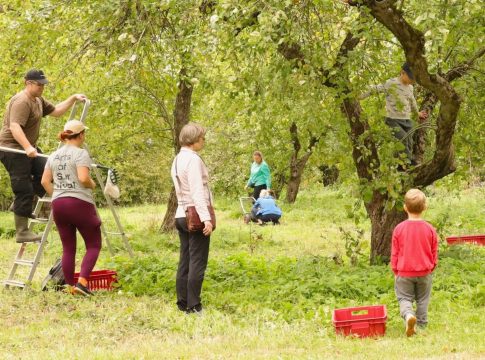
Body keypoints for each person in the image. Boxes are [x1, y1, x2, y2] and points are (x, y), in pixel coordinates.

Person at [0, 69, 87, 243]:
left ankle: (28, 205)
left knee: (49, 170)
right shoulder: (21, 101)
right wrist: (27, 147)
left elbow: (56, 112)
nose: (42, 88)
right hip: (11, 149)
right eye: (39, 84)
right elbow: (14, 126)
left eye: (43, 84)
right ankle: (22, 232)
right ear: (28, 83)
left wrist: (72, 98)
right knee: (23, 188)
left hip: (29, 148)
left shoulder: (38, 100)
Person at [41, 120, 101, 296]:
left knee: (68, 248)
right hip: (79, 203)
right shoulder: (81, 154)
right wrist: (93, 184)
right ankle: (82, 283)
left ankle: (70, 287)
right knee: (93, 244)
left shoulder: (53, 155)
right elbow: (83, 179)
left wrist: (59, 194)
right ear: (80, 135)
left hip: (59, 204)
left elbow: (45, 181)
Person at [171, 123, 214, 314]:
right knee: (198, 260)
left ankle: (182, 302)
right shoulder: (193, 160)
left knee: (185, 259)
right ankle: (194, 305)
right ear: (194, 139)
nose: (203, 141)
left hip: (181, 213)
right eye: (202, 138)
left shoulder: (177, 159)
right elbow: (197, 191)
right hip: (194, 214)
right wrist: (207, 219)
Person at [391, 189, 438, 337]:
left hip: (404, 272)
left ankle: (409, 315)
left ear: (405, 207)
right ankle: (422, 325)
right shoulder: (430, 229)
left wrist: (395, 271)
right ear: (425, 207)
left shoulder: (399, 228)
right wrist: (432, 266)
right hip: (425, 271)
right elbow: (434, 251)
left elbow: (395, 253)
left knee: (404, 298)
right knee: (423, 299)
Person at [359, 63, 428, 164]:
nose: (412, 81)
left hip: (406, 119)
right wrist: (359, 95)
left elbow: (412, 101)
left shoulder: (410, 88)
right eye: (411, 78)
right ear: (402, 73)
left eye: (414, 79)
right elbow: (374, 89)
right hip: (392, 119)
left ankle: (402, 163)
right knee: (403, 139)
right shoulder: (391, 83)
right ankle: (407, 163)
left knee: (409, 140)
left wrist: (417, 113)